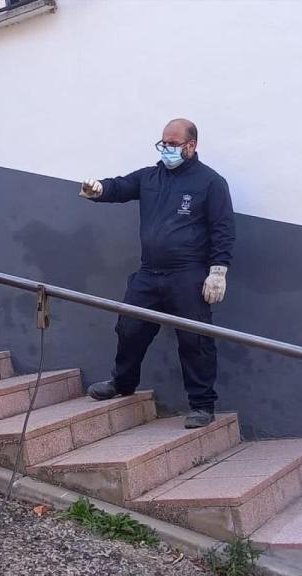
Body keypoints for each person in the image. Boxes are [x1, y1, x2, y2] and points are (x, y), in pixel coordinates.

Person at [80, 118, 235, 429]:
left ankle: (202, 405)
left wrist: (218, 271)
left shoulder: (210, 182)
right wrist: (98, 189)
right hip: (149, 274)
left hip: (188, 275)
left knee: (196, 340)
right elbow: (121, 186)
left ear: (191, 146)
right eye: (164, 142)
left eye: (174, 144)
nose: (167, 148)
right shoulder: (151, 177)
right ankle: (122, 383)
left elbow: (223, 229)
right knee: (129, 329)